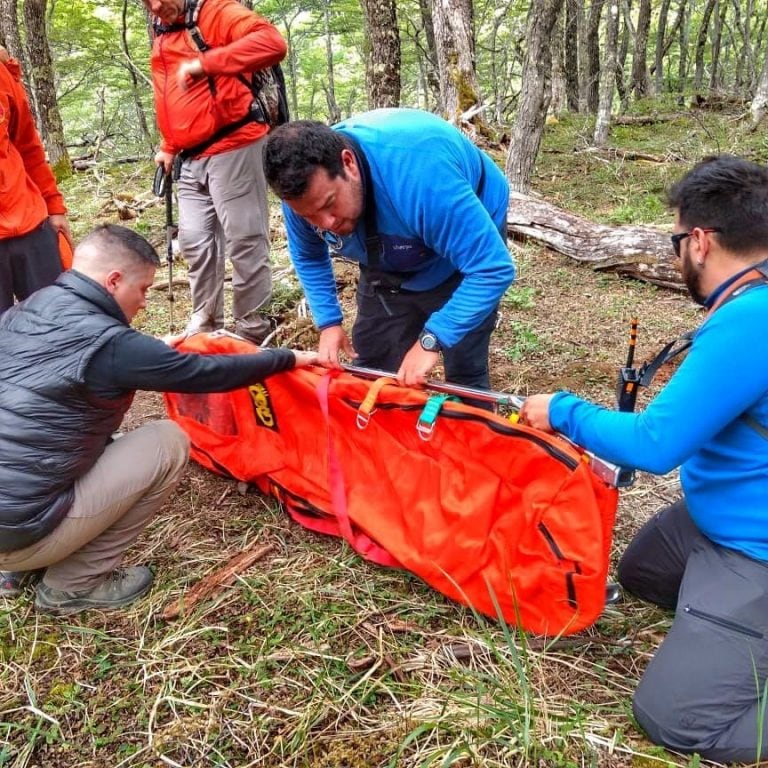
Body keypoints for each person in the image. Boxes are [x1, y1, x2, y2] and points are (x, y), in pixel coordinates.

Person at [519, 155, 768, 763]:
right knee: (641, 574)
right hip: (720, 519)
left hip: (756, 545)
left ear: (701, 242)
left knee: (676, 720)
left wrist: (563, 411)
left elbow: (656, 444)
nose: (676, 253)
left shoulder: (751, 320)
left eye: (676, 240)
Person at [0, 224, 317, 614]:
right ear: (113, 280)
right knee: (166, 442)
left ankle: (14, 570)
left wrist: (149, 350)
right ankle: (71, 584)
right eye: (144, 289)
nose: (145, 302)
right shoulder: (115, 345)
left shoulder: (27, 309)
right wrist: (284, 358)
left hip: (12, 516)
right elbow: (209, 373)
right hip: (21, 531)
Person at [263, 108, 516, 389]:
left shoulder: (423, 180)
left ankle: (471, 415)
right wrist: (329, 322)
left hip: (457, 242)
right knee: (372, 364)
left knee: (464, 362)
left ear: (348, 164)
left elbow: (491, 269)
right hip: (385, 252)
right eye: (310, 216)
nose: (326, 224)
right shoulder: (304, 195)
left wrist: (433, 338)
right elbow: (308, 255)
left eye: (328, 205)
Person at [144, 0, 286, 343]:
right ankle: (205, 325)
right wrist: (168, 143)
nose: (156, 5)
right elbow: (170, 93)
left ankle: (253, 332)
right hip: (189, 157)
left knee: (245, 240)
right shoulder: (162, 27)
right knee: (194, 241)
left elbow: (272, 43)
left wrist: (205, 64)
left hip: (234, 144)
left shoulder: (217, 12)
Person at [0, 45, 73, 313]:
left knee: (56, 319)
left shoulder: (3, 74)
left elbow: (28, 145)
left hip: (30, 222)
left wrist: (54, 206)